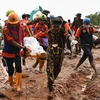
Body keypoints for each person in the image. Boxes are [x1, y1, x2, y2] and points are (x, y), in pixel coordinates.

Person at [2, 12, 30, 92]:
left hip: (17, 51)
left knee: (19, 67)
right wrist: (22, 47)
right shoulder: (6, 29)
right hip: (8, 51)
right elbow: (11, 42)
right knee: (10, 69)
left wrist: (24, 48)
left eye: (15, 23)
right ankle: (11, 84)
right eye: (12, 24)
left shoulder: (21, 27)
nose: (14, 25)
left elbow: (22, 38)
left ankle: (18, 86)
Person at [46, 17, 66, 95]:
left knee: (57, 69)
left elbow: (67, 36)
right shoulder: (49, 32)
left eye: (57, 26)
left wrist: (71, 39)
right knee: (49, 69)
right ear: (52, 25)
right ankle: (50, 86)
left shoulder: (62, 31)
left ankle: (51, 81)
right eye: (54, 26)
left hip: (60, 53)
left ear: (60, 26)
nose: (56, 28)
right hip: (51, 52)